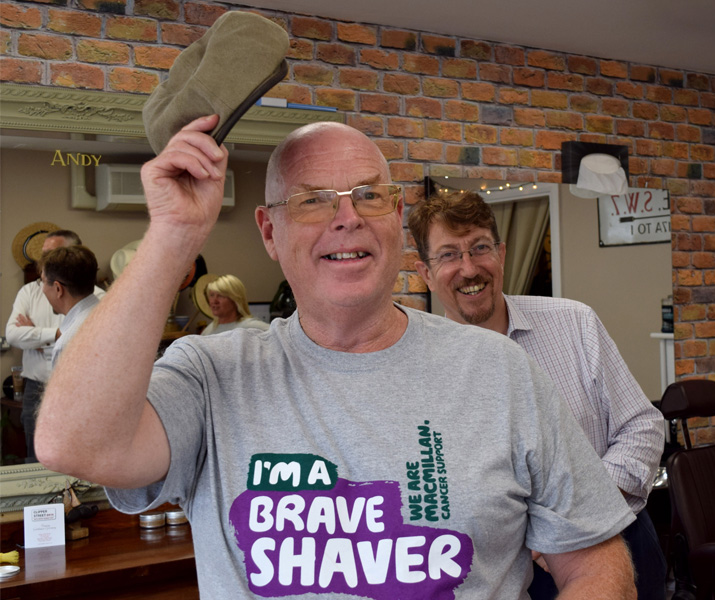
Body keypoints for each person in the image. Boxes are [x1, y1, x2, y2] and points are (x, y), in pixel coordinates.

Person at [36, 117, 637, 599]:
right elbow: (75, 444)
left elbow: (593, 562)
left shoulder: (500, 370)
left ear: (398, 221)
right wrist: (171, 234)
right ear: (268, 233)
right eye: (313, 200)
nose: (347, 217)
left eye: (368, 196)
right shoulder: (210, 374)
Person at [408, 190, 667, 599]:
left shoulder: (574, 324)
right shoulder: (417, 370)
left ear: (503, 252)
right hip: (506, 573)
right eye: (449, 255)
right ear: (424, 272)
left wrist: (571, 523)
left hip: (618, 546)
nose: (469, 268)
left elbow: (642, 426)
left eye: (480, 248)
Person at [5, 229, 104, 462]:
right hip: (37, 387)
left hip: (79, 419)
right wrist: (55, 335)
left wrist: (43, 340)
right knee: (36, 456)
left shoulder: (94, 312)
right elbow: (13, 334)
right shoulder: (32, 293)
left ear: (58, 288)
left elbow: (70, 413)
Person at [38, 245, 102, 367]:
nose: (43, 289)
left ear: (58, 289)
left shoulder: (67, 344)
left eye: (43, 281)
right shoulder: (114, 317)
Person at [200, 274, 270, 335]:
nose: (214, 301)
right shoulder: (208, 331)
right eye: (212, 295)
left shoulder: (251, 327)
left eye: (221, 296)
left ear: (235, 299)